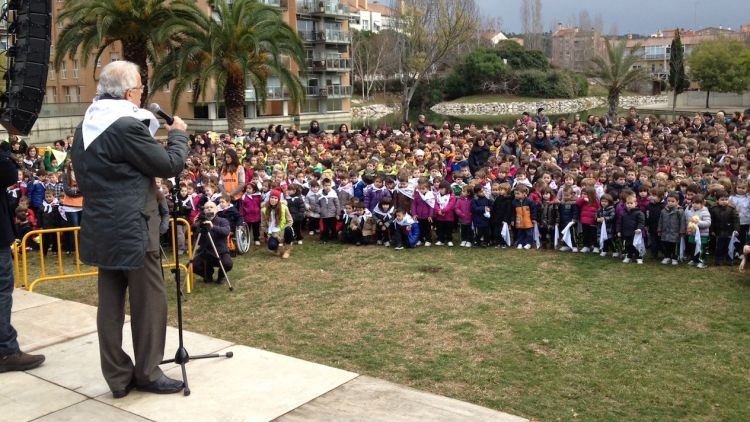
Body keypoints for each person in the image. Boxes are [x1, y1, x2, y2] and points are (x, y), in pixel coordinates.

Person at [71, 61, 189, 397]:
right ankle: (148, 373)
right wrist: (178, 136)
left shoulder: (86, 126)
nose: (141, 95)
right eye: (138, 89)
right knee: (149, 302)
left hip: (101, 226)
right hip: (134, 227)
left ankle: (117, 378)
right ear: (127, 92)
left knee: (109, 306)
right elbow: (168, 165)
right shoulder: (126, 126)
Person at [193, 201, 233, 281]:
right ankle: (208, 275)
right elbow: (191, 233)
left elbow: (226, 231)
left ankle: (221, 276)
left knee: (228, 264)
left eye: (211, 207)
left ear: (216, 210)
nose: (209, 209)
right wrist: (196, 224)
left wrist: (212, 226)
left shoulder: (223, 221)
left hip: (220, 252)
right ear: (204, 210)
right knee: (192, 265)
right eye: (207, 208)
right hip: (205, 252)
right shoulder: (201, 222)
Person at [261, 189, 294, 258]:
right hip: (272, 232)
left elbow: (290, 221)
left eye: (276, 198)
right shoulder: (264, 209)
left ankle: (287, 250)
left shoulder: (284, 208)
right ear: (269, 198)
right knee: (271, 245)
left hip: (283, 229)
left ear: (278, 199)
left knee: (288, 230)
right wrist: (270, 234)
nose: (273, 200)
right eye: (272, 198)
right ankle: (276, 248)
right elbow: (263, 225)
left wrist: (281, 233)